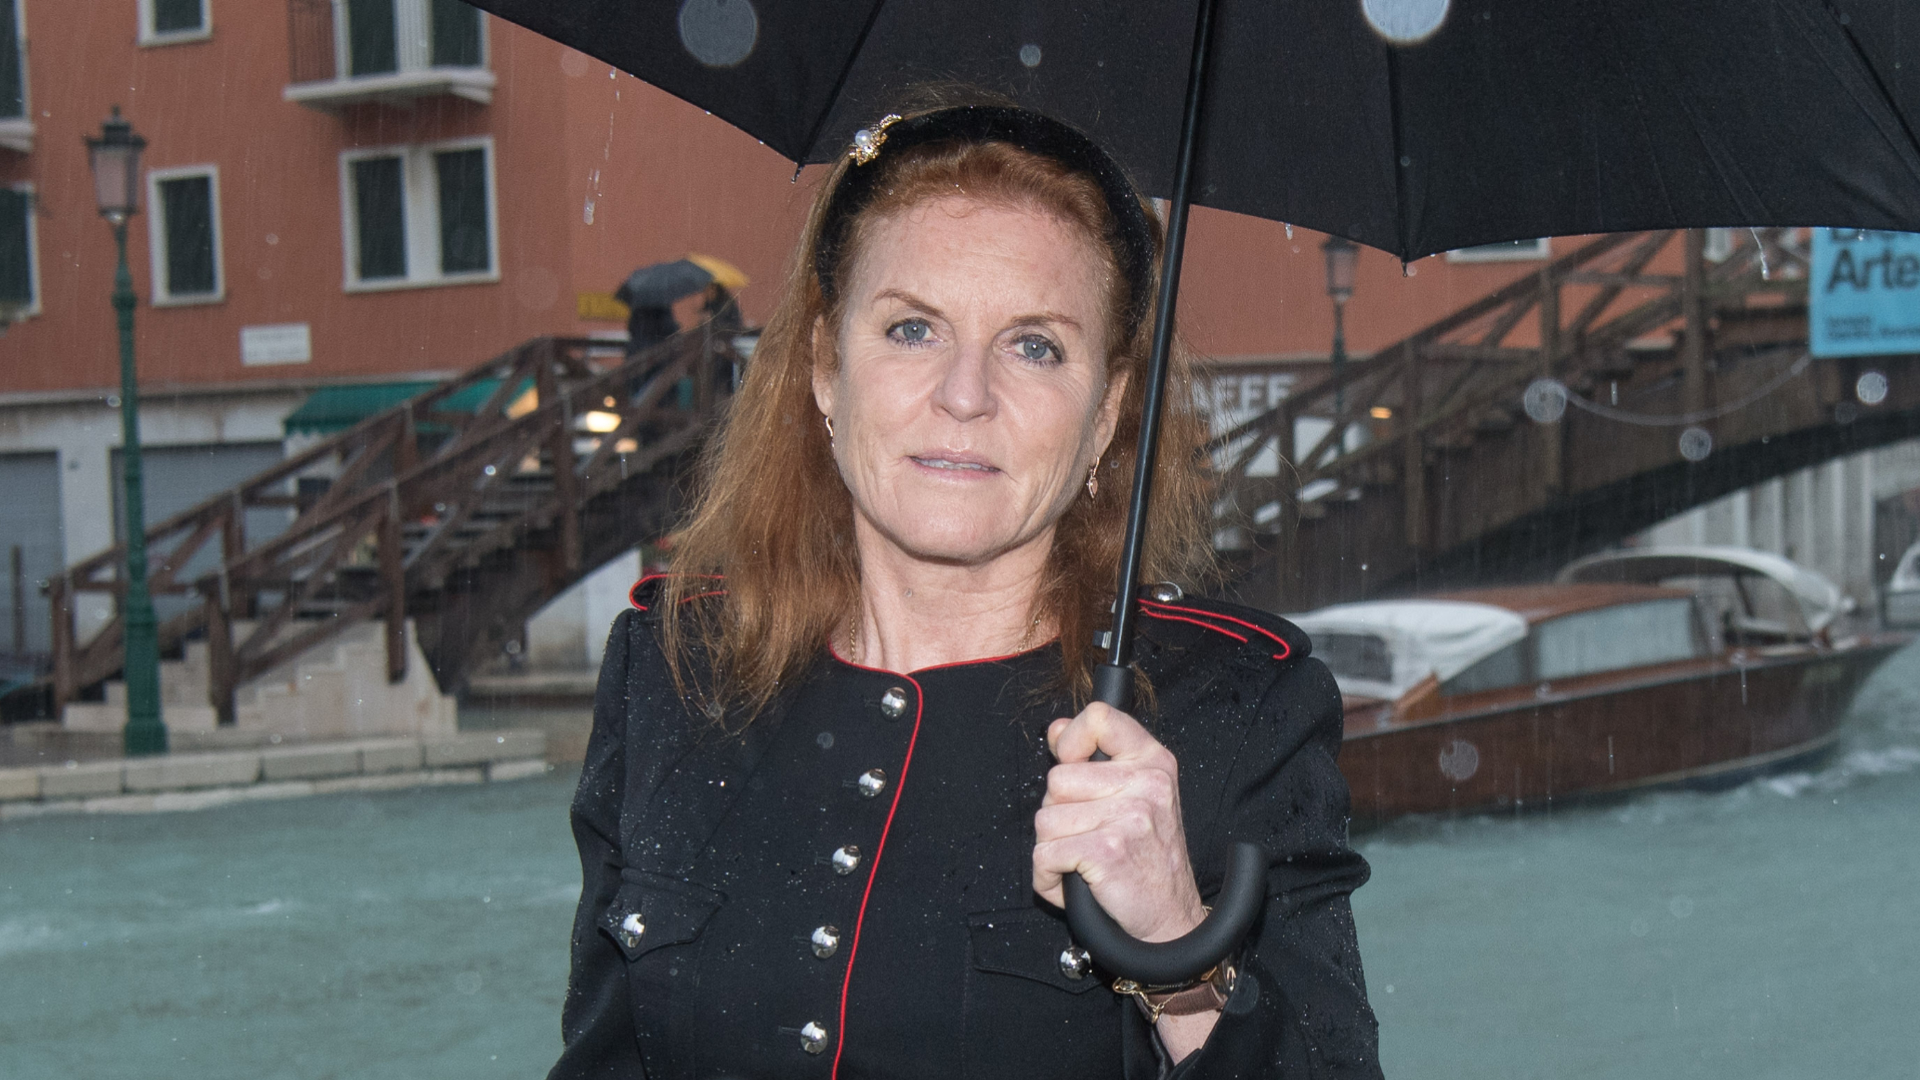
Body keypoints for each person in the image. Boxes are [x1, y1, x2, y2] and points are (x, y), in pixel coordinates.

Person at [549, 103, 1380, 1080]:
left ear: (1108, 411)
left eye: (1035, 345)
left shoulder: (1236, 707)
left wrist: (1175, 943)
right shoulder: (672, 664)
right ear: (825, 366)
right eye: (912, 328)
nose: (965, 394)